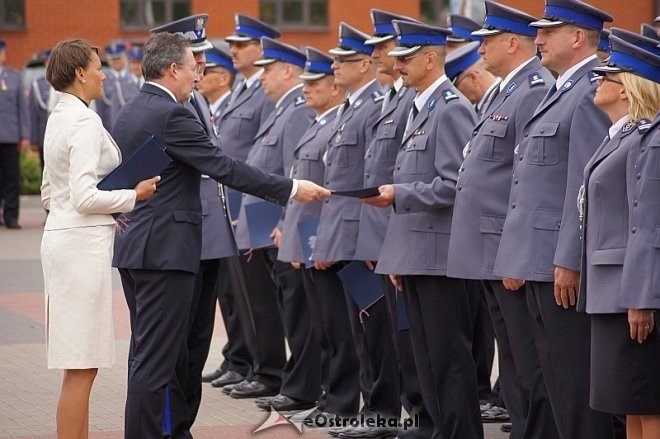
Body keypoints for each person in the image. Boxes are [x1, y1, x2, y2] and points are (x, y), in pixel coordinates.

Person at [111, 32, 328, 438]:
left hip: (142, 247)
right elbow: (223, 167)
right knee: (157, 361)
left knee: (155, 356)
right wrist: (293, 188)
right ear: (174, 69)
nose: (200, 75)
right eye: (195, 68)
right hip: (165, 252)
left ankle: (173, 432)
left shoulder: (133, 108)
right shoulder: (171, 114)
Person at [492, 0, 616, 437]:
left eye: (548, 32)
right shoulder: (558, 89)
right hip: (536, 260)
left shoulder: (587, 93)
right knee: (549, 378)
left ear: (578, 36)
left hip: (558, 266)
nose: (537, 39)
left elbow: (584, 189)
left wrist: (570, 259)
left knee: (573, 383)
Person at [364, 19, 482, 439]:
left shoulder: (450, 108)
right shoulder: (422, 107)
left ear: (431, 59)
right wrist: (398, 253)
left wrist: (398, 192)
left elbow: (455, 185)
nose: (397, 66)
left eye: (406, 58)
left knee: (448, 359)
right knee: (424, 357)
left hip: (440, 258)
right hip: (416, 255)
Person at [447, 2, 558, 438]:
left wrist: (516, 251)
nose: (481, 49)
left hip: (507, 246)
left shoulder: (531, 89)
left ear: (512, 43)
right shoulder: (505, 91)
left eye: (488, 40)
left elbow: (526, 179)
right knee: (511, 357)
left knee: (527, 359)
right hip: (491, 245)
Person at [39, 38, 159, 439]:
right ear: (80, 74)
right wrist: (133, 195)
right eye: (97, 65)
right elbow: (84, 195)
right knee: (82, 366)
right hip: (79, 249)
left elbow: (47, 193)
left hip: (63, 240)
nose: (104, 73)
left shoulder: (60, 116)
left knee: (80, 364)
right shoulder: (85, 121)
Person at [230, 36, 320, 404]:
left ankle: (302, 387)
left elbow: (294, 175)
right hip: (268, 226)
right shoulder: (281, 109)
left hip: (284, 228)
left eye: (269, 70)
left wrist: (286, 222)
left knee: (299, 313)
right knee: (289, 309)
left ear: (288, 72)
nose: (262, 77)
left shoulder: (296, 110)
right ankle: (294, 384)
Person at [581, 34, 660, 439]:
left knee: (647, 401)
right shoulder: (621, 136)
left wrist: (640, 298)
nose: (597, 81)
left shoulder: (647, 139)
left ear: (629, 87)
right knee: (629, 402)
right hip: (612, 287)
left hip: (632, 288)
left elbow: (646, 223)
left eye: (606, 75)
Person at [274, 45, 350, 417]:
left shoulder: (339, 122)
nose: (305, 88)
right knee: (321, 325)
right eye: (303, 81)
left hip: (324, 236)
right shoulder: (319, 122)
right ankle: (330, 396)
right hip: (307, 236)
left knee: (337, 326)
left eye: (314, 82)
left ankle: (340, 399)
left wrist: (321, 241)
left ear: (335, 87)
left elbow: (332, 188)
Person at [0, 37, 30, 229]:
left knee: (11, 178)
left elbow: (22, 109)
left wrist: (25, 135)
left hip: (10, 136)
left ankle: (11, 216)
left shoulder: (14, 77)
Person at [28, 50, 52, 171]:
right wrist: (33, 138)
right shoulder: (38, 84)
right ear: (45, 63)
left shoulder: (67, 83)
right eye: (49, 62)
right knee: (45, 170)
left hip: (64, 134)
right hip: (44, 134)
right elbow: (32, 113)